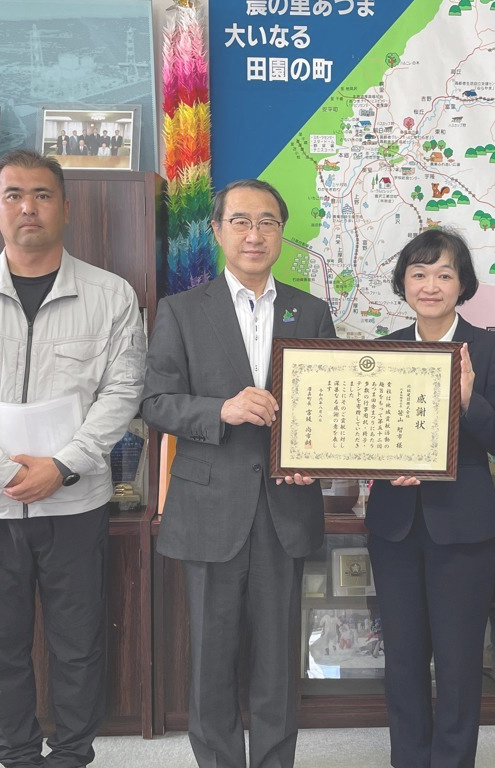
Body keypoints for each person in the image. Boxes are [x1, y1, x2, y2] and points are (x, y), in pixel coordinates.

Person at [0, 149, 146, 768]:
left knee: (79, 645)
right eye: (13, 195)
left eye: (41, 195)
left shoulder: (111, 295)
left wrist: (62, 466)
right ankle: (14, 755)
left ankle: (71, 754)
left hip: (75, 504)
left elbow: (122, 392)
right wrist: (4, 471)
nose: (28, 207)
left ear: (65, 207)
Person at [141, 178, 336, 768]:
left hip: (285, 507)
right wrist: (219, 410)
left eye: (268, 222)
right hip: (209, 508)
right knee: (212, 659)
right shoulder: (181, 310)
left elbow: (328, 407)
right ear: (218, 231)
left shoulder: (311, 310)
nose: (255, 234)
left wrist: (313, 461)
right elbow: (155, 402)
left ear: (281, 232)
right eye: (241, 222)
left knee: (278, 661)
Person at [366, 229, 495, 768]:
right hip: (394, 527)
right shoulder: (384, 350)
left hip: (462, 528)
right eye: (418, 273)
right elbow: (368, 434)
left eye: (443, 274)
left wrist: (469, 399)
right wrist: (384, 465)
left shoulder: (490, 349)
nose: (430, 285)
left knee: (458, 663)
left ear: (462, 284)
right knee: (403, 659)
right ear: (403, 283)